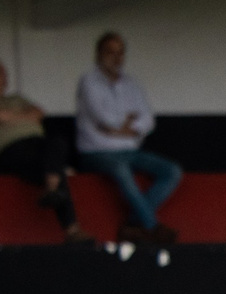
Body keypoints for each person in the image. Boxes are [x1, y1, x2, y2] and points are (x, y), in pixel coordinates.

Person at [73, 32, 181, 243]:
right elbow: (104, 120)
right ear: (98, 54)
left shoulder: (132, 84)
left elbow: (148, 120)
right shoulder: (88, 81)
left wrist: (123, 128)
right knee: (121, 170)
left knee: (172, 171)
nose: (116, 57)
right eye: (110, 52)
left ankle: (133, 224)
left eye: (120, 52)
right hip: (96, 152)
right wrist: (126, 123)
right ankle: (152, 226)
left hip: (130, 150)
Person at [0, 55, 91, 242]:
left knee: (56, 146)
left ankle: (53, 191)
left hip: (36, 148)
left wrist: (10, 117)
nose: (2, 75)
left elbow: (38, 113)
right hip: (7, 154)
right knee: (54, 167)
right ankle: (71, 227)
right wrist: (23, 117)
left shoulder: (16, 98)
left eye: (3, 71)